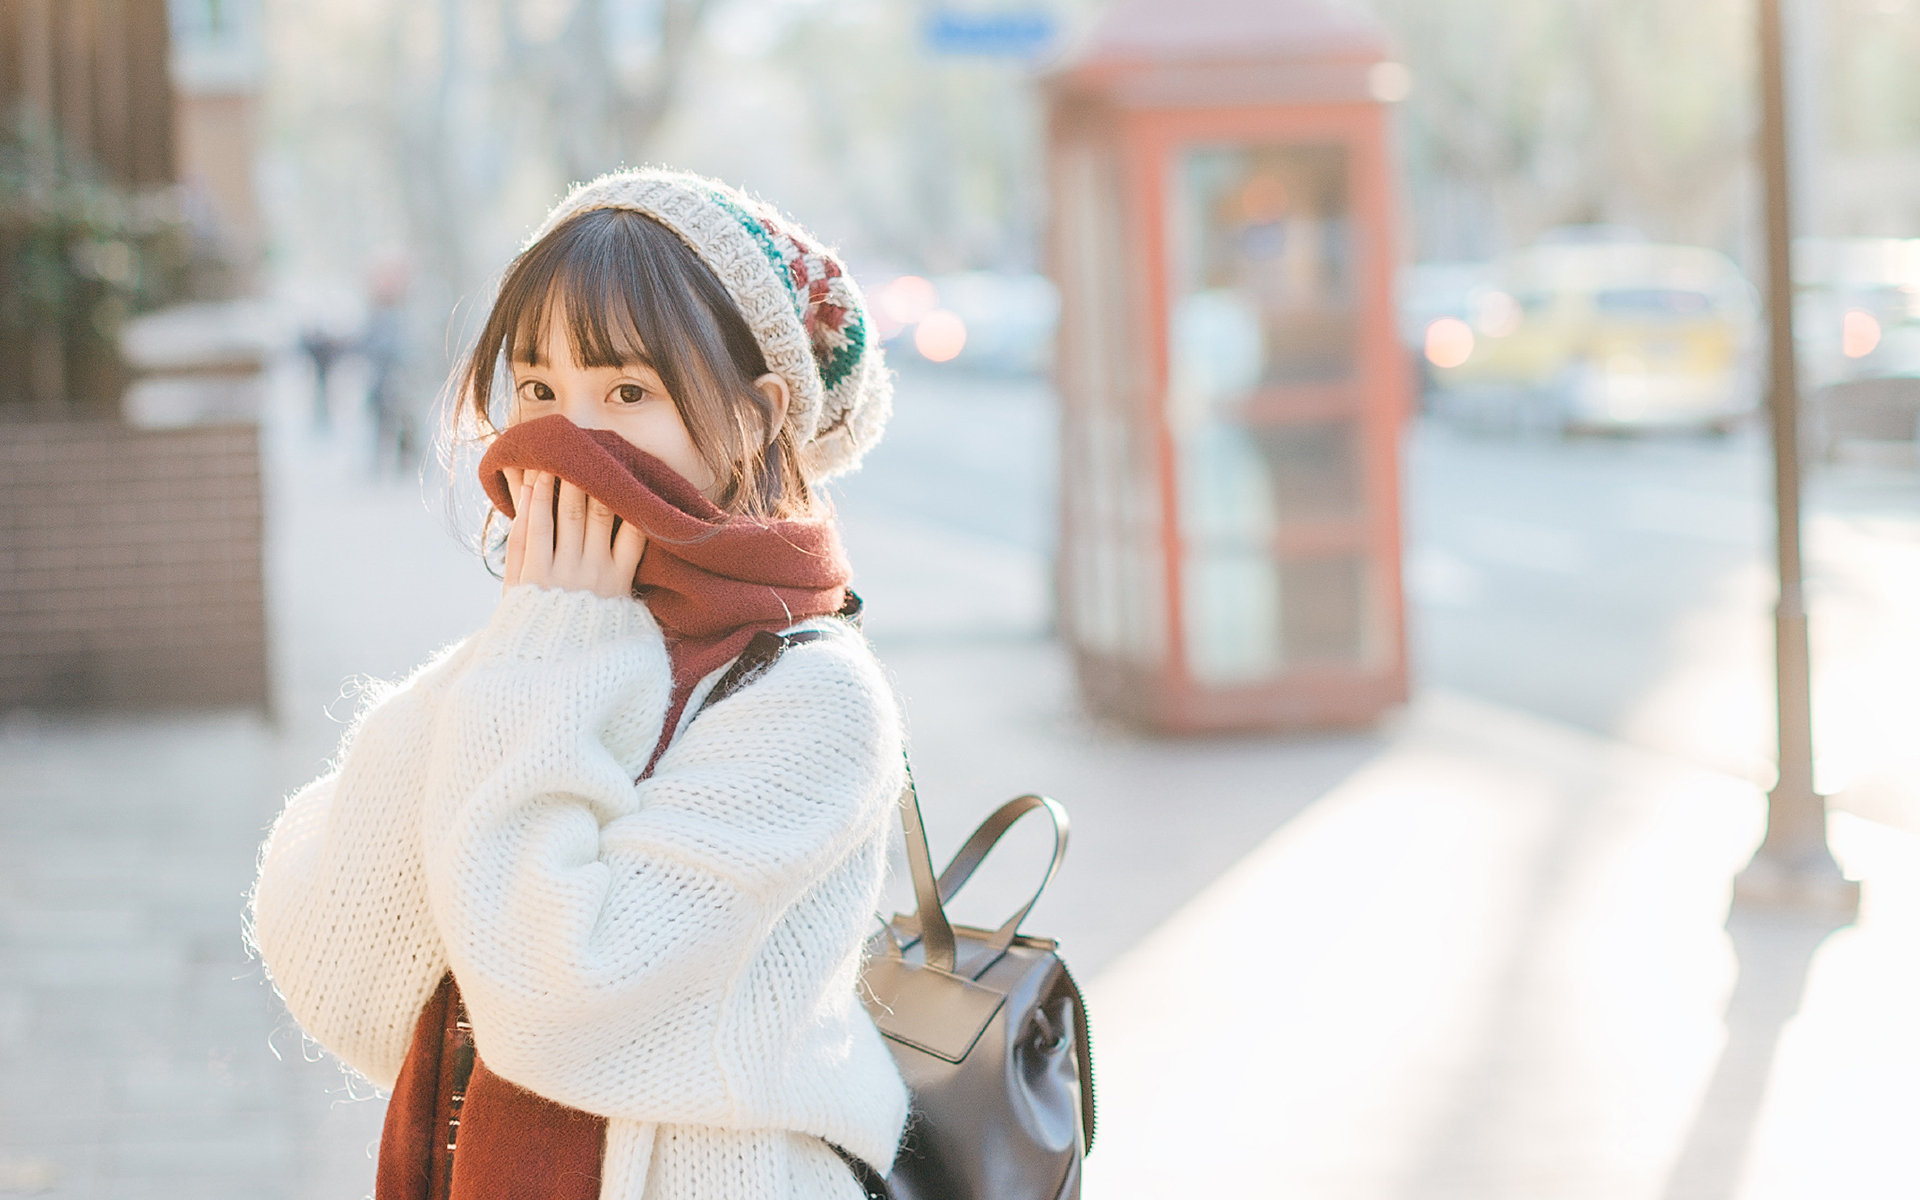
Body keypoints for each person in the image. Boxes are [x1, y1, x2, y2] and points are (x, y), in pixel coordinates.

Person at [249, 169, 907, 1200]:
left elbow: (553, 1000)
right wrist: (535, 639)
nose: (567, 439)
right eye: (540, 390)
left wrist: (551, 642)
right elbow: (343, 964)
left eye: (630, 393)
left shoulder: (814, 702)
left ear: (754, 416)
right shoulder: (559, 640)